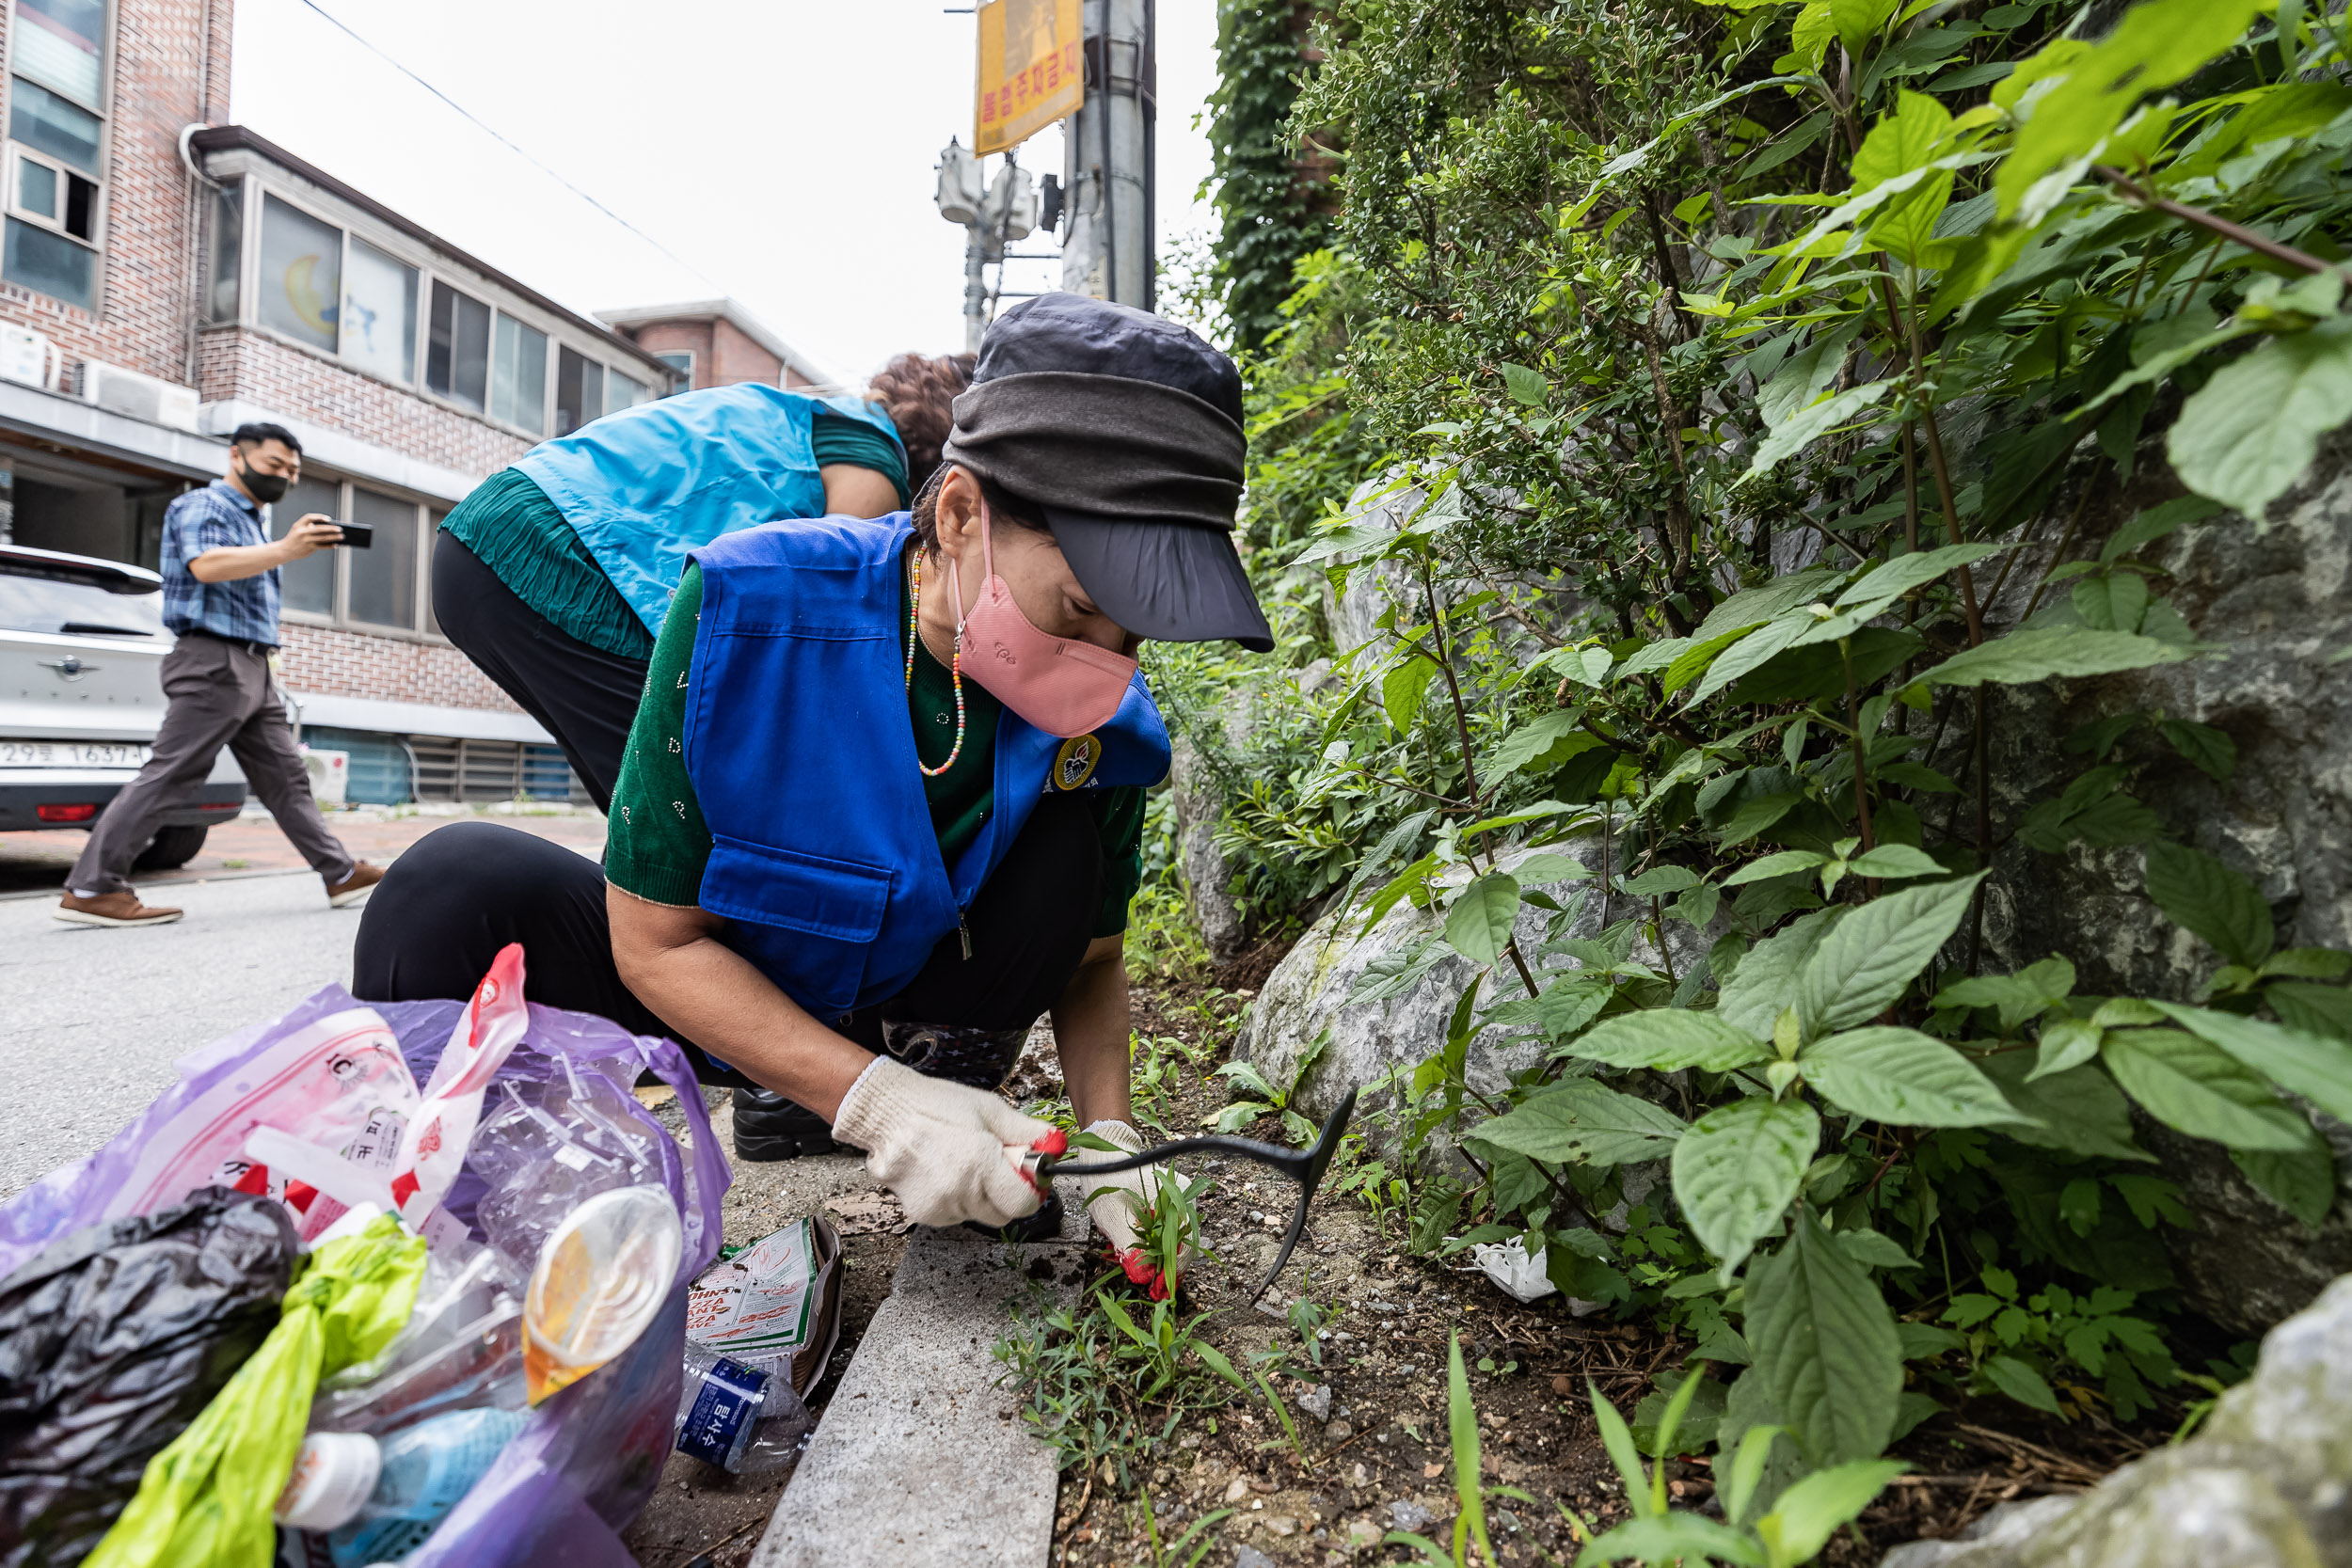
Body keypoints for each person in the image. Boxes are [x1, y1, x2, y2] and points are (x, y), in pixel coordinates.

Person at [353, 295, 1270, 1291]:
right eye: (1083, 610)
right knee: (448, 886)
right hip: (725, 1001)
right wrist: (879, 1105)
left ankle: (941, 1089)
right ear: (959, 513)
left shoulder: (1105, 733)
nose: (1108, 663)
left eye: (1137, 637)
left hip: (916, 1002)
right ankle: (455, 1241)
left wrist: (1109, 1144)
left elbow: (1090, 962)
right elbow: (651, 938)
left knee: (1063, 859)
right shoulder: (747, 610)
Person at [430, 353, 974, 812]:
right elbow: (832, 616)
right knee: (683, 798)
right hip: (557, 553)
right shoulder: (874, 462)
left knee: (639, 793)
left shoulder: (800, 415)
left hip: (484, 531)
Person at [56, 423, 385, 928]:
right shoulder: (206, 507)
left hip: (253, 667)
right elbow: (206, 566)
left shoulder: (254, 522)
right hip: (213, 661)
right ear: (237, 455)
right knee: (174, 771)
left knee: (287, 780)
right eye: (275, 465)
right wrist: (287, 550)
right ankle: (93, 886)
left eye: (293, 471)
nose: (285, 477)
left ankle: (340, 874)